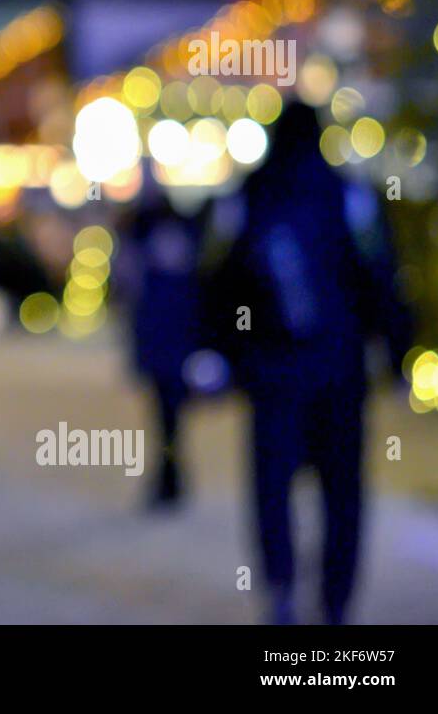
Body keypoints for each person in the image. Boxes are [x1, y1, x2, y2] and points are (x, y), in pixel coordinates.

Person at [200, 101, 412, 624]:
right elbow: (379, 277)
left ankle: (281, 592)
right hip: (340, 371)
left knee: (271, 489)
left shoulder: (247, 196)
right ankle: (336, 603)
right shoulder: (350, 196)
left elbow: (219, 284)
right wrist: (398, 353)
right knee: (343, 493)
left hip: (272, 373)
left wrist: (223, 354)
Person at [116, 167, 204, 508]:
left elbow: (127, 280)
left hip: (167, 334)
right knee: (166, 409)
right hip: (164, 333)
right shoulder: (144, 226)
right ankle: (170, 471)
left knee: (166, 409)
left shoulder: (143, 227)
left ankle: (170, 472)